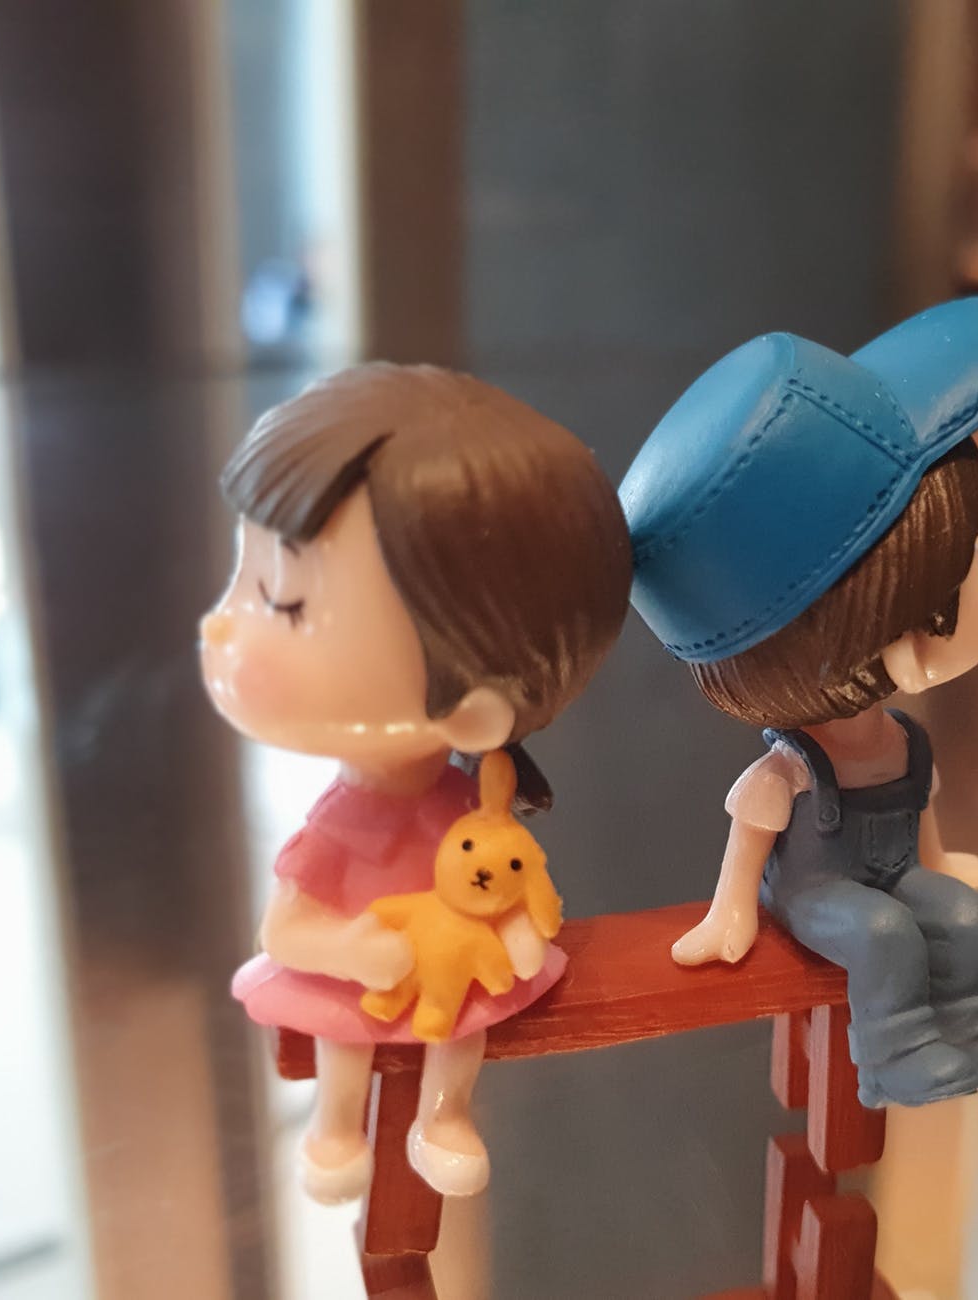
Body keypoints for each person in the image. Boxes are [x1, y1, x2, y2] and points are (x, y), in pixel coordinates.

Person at [199, 363, 630, 1200]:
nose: (219, 625)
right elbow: (283, 930)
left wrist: (518, 934)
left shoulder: (473, 812)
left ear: (469, 717)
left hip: (447, 970)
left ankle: (446, 1115)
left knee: (463, 1026)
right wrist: (345, 949)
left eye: (282, 602)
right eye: (245, 580)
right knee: (343, 1035)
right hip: (364, 974)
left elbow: (507, 887)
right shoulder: (339, 823)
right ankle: (334, 1127)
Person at [621, 297, 978, 1107]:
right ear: (903, 641)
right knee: (882, 937)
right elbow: (749, 845)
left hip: (896, 872)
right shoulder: (788, 770)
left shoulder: (905, 742)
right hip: (814, 893)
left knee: (963, 917)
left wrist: (940, 865)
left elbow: (920, 820)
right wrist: (731, 914)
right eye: (958, 567)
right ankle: (896, 1054)